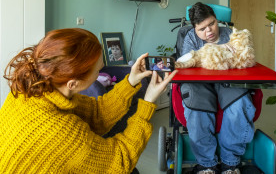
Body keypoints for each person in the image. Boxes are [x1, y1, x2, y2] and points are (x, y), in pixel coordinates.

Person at [0, 28, 177, 173]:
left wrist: (131, 80)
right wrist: (148, 102)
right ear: (73, 83)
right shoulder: (60, 132)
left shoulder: (31, 90)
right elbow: (119, 160)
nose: (100, 73)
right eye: (98, 71)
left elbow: (97, 114)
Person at [180, 2, 256, 174]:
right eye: (202, 29)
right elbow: (185, 61)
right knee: (196, 108)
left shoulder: (230, 33)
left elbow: (244, 56)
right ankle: (207, 164)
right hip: (200, 83)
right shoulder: (190, 37)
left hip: (227, 80)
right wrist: (215, 48)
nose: (209, 31)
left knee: (240, 104)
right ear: (195, 29)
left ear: (216, 20)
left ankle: (230, 162)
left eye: (212, 24)